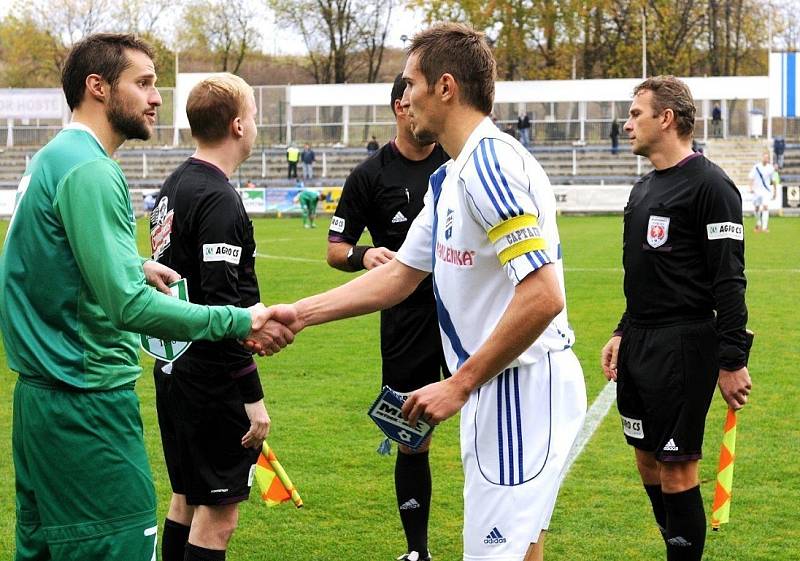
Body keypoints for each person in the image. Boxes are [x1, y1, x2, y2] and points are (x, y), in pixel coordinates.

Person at [254, 23, 587, 561]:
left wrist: (460, 383)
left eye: (410, 83)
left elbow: (543, 294)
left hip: (517, 389)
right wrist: (299, 313)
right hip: (498, 387)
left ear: (446, 87)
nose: (403, 96)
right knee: (522, 551)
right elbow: (400, 274)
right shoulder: (452, 176)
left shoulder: (490, 166)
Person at [0, 34, 290, 561]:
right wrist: (237, 319)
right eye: (144, 83)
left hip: (42, 403)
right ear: (98, 88)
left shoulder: (53, 157)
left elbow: (34, 262)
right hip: (85, 404)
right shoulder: (91, 168)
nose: (157, 97)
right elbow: (129, 308)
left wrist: (131, 263)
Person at [600, 76, 752, 561]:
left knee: (677, 466)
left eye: (635, 114)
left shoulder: (712, 186)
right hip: (641, 339)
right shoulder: (643, 188)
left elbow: (729, 279)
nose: (626, 125)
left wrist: (732, 361)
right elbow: (646, 271)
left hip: (684, 344)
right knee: (647, 461)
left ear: (666, 119)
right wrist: (623, 330)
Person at [326, 72, 450, 561]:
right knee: (411, 437)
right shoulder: (368, 175)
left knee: (486, 417)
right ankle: (417, 551)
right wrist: (365, 256)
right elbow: (335, 250)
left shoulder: (456, 162)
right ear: (402, 106)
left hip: (463, 313)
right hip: (404, 320)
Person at [150, 74, 270, 561]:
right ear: (238, 124)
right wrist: (253, 398)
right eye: (255, 116)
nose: (257, 125)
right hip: (209, 379)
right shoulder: (218, 198)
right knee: (217, 517)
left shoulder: (172, 186)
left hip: (172, 369)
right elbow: (224, 313)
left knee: (186, 499)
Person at [749, 152, 775, 232]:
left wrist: (775, 191)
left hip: (766, 191)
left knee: (765, 207)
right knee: (757, 208)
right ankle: (758, 223)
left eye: (767, 158)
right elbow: (751, 177)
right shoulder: (756, 167)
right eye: (765, 157)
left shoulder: (770, 168)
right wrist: (751, 187)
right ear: (762, 158)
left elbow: (773, 180)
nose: (766, 159)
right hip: (757, 191)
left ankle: (764, 227)